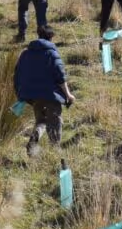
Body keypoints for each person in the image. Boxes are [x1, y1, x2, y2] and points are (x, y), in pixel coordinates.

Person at [14, 26, 76, 156]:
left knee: (41, 120)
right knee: (55, 121)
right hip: (51, 96)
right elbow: (60, 76)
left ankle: (36, 135)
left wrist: (20, 94)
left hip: (34, 96)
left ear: (38, 35)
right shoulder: (52, 53)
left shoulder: (26, 53)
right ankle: (55, 150)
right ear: (51, 37)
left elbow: (17, 74)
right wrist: (68, 94)